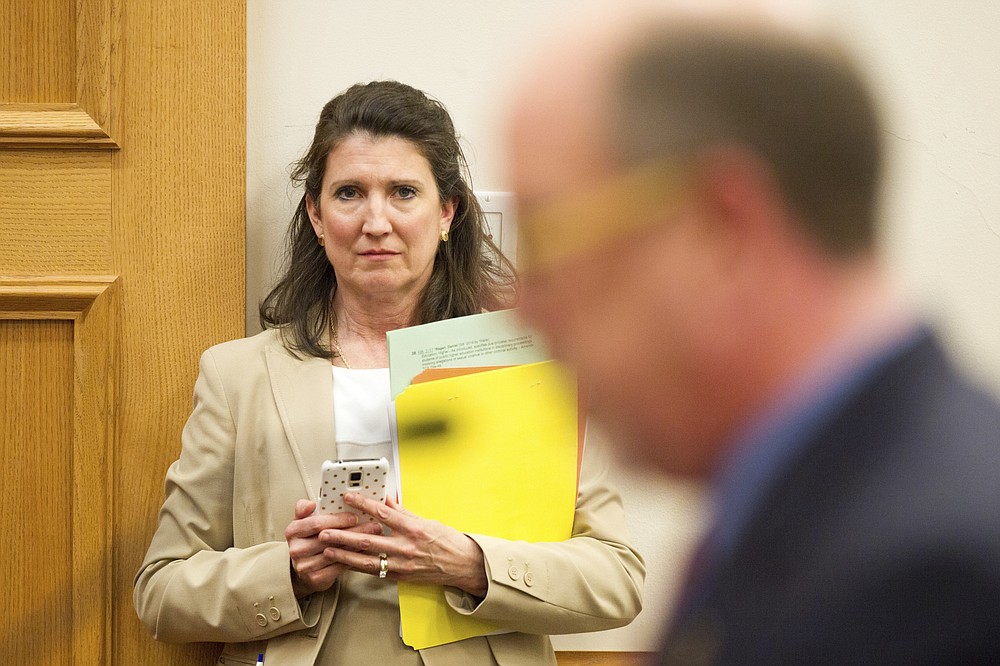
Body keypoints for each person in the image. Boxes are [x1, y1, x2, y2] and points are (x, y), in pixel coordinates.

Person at [506, 4, 1000, 664]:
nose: (524, 311)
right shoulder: (820, 504)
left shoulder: (932, 586)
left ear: (720, 233)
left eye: (543, 243)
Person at [134, 80, 644, 665]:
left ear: (447, 211)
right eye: (349, 193)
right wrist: (285, 571)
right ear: (317, 216)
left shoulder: (533, 365)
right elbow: (160, 590)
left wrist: (472, 565)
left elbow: (617, 578)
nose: (376, 221)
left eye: (404, 192)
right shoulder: (237, 376)